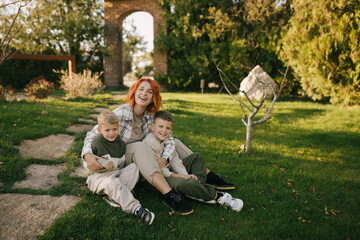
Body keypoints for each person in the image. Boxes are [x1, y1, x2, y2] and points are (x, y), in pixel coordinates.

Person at [82, 77, 234, 215]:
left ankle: (208, 175)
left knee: (176, 142)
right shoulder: (122, 113)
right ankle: (168, 194)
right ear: (134, 92)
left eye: (149, 91)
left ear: (153, 97)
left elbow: (170, 139)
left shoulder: (150, 117)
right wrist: (87, 155)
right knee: (140, 146)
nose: (144, 94)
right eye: (141, 89)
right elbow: (93, 134)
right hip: (122, 157)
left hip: (148, 155)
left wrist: (165, 158)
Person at [143, 110, 243, 212]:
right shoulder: (149, 144)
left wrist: (186, 175)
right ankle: (218, 197)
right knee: (183, 184)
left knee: (197, 157)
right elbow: (162, 171)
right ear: (152, 127)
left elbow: (176, 162)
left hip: (171, 171)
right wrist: (183, 178)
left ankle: (197, 186)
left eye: (168, 128)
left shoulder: (168, 141)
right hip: (160, 178)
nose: (164, 131)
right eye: (160, 127)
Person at [85, 109, 155, 225]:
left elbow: (121, 164)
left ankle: (113, 197)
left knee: (134, 167)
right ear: (99, 130)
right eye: (107, 130)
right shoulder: (97, 143)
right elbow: (91, 162)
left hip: (116, 174)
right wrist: (104, 162)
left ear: (118, 128)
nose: (111, 133)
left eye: (114, 129)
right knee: (112, 182)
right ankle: (136, 209)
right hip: (99, 177)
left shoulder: (121, 144)